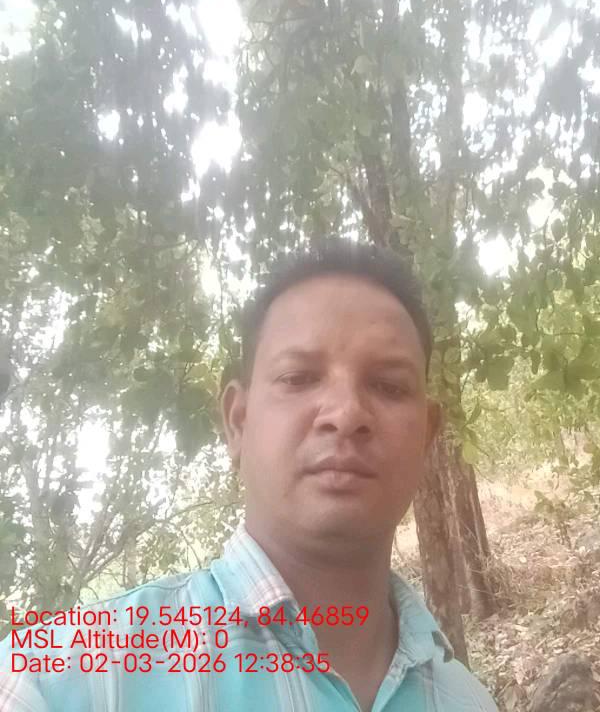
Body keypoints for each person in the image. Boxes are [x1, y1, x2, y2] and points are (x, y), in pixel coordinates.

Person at [0, 238, 498, 711]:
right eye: (299, 378)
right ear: (238, 422)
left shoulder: (468, 702)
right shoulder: (57, 680)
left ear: (426, 437)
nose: (346, 413)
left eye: (388, 385)